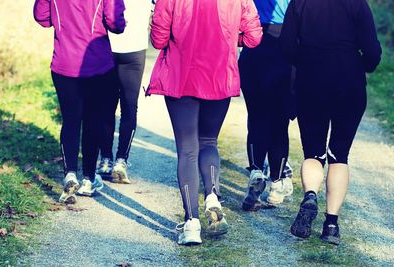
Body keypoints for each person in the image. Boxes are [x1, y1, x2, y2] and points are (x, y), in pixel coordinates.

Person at [148, 0, 262, 245]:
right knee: (209, 141)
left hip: (182, 77)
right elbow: (253, 37)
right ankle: (212, 196)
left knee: (187, 149)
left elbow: (158, 39)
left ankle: (191, 224)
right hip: (219, 74)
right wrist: (231, 39)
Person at [280, 0, 381, 244]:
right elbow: (372, 53)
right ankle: (331, 225)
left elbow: (285, 47)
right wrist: (360, 63)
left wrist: (305, 59)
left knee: (313, 152)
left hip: (310, 81)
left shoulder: (300, 3)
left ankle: (311, 196)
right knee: (340, 155)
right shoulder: (357, 4)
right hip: (349, 83)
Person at [33, 0, 126, 203]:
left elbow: (42, 17)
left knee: (71, 120)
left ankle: (70, 174)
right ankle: (88, 179)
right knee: (93, 121)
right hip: (97, 64)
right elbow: (115, 23)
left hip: (64, 63)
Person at [239, 0, 295, 211]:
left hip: (254, 48)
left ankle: (255, 171)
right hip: (284, 46)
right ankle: (276, 184)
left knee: (256, 117)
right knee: (279, 123)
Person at [96, 1, 152, 184]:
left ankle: (105, 159)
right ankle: (121, 161)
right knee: (129, 107)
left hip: (108, 45)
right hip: (134, 49)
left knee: (106, 106)